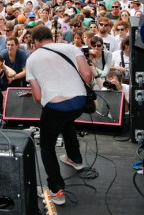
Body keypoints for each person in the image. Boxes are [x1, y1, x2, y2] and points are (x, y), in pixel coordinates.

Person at [26, 25, 92, 205]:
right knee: (66, 120)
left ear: (36, 41)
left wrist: (48, 97)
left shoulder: (32, 59)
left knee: (47, 145)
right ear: (50, 37)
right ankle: (75, 158)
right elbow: (87, 74)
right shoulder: (71, 47)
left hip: (56, 106)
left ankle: (56, 191)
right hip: (79, 102)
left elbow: (38, 97)